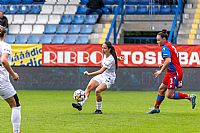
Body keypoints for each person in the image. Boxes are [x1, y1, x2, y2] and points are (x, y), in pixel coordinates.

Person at [147, 29, 196, 114]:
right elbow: (172, 60)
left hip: (174, 73)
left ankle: (189, 97)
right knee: (161, 89)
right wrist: (164, 65)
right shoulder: (169, 45)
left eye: (159, 40)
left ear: (164, 39)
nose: (157, 42)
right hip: (171, 72)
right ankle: (156, 108)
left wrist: (160, 71)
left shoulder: (165, 47)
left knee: (170, 95)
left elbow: (168, 60)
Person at [72, 41, 124, 114]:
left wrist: (89, 74)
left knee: (97, 91)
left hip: (109, 78)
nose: (103, 50)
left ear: (109, 49)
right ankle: (80, 104)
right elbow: (114, 57)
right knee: (89, 87)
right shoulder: (107, 55)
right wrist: (119, 58)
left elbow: (101, 71)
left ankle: (98, 110)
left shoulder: (110, 60)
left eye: (105, 48)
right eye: (102, 48)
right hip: (103, 76)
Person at [0, 25, 21, 133]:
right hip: (1, 81)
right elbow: (3, 60)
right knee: (15, 104)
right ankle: (16, 131)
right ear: (4, 35)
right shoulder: (5, 45)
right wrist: (13, 74)